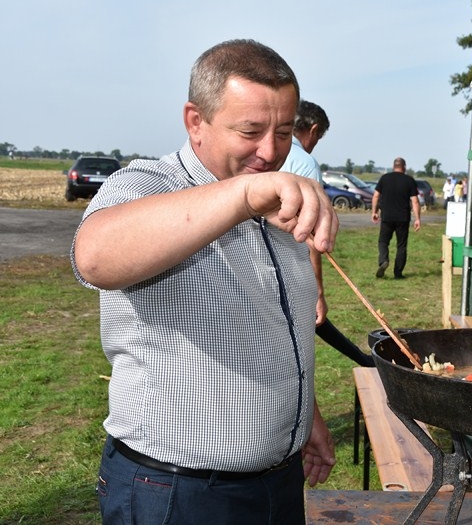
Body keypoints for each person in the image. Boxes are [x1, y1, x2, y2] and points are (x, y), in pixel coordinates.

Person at [71, 39, 338, 524]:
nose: (271, 151)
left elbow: (277, 323)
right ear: (196, 121)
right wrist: (245, 193)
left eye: (283, 132)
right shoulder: (149, 184)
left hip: (278, 480)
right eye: (251, 131)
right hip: (176, 491)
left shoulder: (273, 203)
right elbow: (94, 258)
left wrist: (306, 415)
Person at [280, 100, 373, 367]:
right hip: (290, 268)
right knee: (299, 351)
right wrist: (318, 291)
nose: (315, 143)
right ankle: (364, 362)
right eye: (318, 138)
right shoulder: (304, 163)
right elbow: (312, 238)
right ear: (313, 129)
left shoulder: (263, 156)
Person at [371, 157, 421, 279]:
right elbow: (415, 201)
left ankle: (383, 261)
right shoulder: (409, 180)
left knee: (383, 242)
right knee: (401, 246)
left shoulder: (385, 178)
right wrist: (417, 219)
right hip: (403, 218)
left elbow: (376, 196)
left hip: (387, 216)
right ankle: (398, 273)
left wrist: (374, 212)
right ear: (404, 167)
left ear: (394, 166)